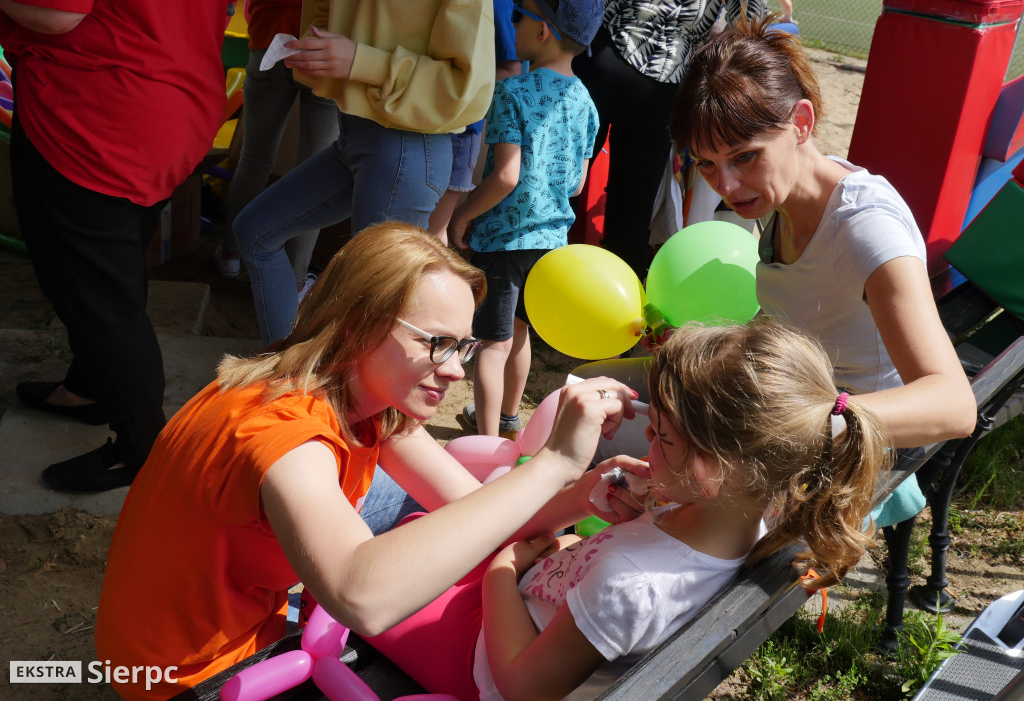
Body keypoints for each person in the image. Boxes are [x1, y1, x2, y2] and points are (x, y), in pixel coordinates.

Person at [94, 222, 642, 700]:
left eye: (465, 348)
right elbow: (364, 596)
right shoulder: (285, 432)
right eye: (439, 343)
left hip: (227, 633)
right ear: (358, 325)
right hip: (187, 676)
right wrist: (550, 464)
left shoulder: (365, 396)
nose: (456, 371)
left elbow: (482, 513)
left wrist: (584, 491)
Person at [363, 321, 891, 701]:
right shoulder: (753, 517)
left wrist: (501, 573)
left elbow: (523, 688)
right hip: (534, 603)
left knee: (381, 567)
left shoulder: (630, 585)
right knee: (421, 530)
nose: (647, 447)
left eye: (659, 435)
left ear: (716, 470)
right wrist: (584, 531)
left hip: (483, 661)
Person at [669, 16, 976, 517]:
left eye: (744, 157)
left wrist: (811, 417)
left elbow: (954, 406)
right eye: (706, 163)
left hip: (859, 452)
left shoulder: (865, 227)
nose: (723, 185)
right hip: (794, 424)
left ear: (802, 123)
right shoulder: (777, 200)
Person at [1, 0, 236, 491]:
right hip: (172, 102)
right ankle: (88, 388)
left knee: (103, 301)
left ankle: (142, 450)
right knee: (111, 269)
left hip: (96, 117)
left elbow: (56, 10)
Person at [233, 0, 496, 347]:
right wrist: (319, 55)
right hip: (355, 135)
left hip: (409, 145)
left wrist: (360, 61)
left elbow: (467, 87)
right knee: (255, 232)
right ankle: (290, 375)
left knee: (371, 319)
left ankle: (324, 398)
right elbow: (319, 5)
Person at [450, 0, 602, 438]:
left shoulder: (511, 93)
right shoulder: (587, 103)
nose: (510, 23)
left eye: (518, 14)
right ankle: (509, 418)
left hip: (502, 240)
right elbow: (576, 185)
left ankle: (487, 440)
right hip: (551, 243)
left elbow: (505, 176)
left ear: (542, 30)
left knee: (490, 346)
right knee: (519, 335)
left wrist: (464, 214)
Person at [571, 0, 765, 279]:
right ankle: (617, 316)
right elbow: (748, 19)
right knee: (632, 213)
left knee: (560, 185)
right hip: (667, 75)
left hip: (602, 52)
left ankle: (524, 307)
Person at [211, 0, 340, 293]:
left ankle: (230, 255)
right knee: (314, 171)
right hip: (323, 43)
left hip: (268, 36)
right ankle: (295, 280)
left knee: (254, 159)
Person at [428, 0, 522, 245]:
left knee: (430, 237)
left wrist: (446, 87)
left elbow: (510, 67)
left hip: (458, 129)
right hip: (410, 120)